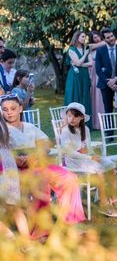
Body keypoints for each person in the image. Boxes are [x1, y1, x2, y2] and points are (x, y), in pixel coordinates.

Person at [2, 94, 85, 231]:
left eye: (13, 108)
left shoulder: (29, 126)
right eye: (5, 109)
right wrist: (14, 158)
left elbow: (46, 143)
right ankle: (40, 229)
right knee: (40, 182)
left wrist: (36, 154)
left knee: (70, 178)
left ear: (21, 108)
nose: (9, 112)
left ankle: (69, 222)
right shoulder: (2, 129)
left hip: (37, 163)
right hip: (16, 169)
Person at [59, 103, 117, 217]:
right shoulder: (65, 132)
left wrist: (94, 156)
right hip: (73, 161)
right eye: (69, 116)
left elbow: (88, 148)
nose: (72, 119)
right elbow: (70, 152)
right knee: (99, 170)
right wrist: (90, 158)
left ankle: (114, 199)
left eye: (75, 116)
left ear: (82, 117)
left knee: (111, 166)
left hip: (86, 158)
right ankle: (103, 203)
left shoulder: (86, 129)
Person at [94, 28, 117, 138]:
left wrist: (115, 79)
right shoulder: (100, 51)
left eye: (112, 36)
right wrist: (109, 82)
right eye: (108, 37)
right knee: (108, 108)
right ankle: (110, 134)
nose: (111, 38)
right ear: (104, 39)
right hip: (105, 84)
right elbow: (98, 69)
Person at [0, 114, 30, 238]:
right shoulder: (2, 122)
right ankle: (27, 244)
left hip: (3, 169)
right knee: (15, 208)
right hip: (9, 166)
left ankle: (10, 237)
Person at [64, 31, 94, 128]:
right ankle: (72, 122)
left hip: (84, 76)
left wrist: (80, 64)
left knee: (84, 96)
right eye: (82, 36)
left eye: (85, 37)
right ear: (77, 37)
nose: (84, 38)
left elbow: (91, 63)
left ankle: (84, 124)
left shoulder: (86, 49)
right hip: (75, 77)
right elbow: (78, 63)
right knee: (75, 96)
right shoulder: (71, 50)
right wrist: (84, 55)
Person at [88, 31, 106, 130]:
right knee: (93, 94)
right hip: (92, 72)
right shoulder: (91, 47)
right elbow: (89, 47)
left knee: (100, 95)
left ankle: (102, 122)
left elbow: (104, 43)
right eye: (95, 38)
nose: (97, 39)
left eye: (98, 36)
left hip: (100, 71)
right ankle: (94, 122)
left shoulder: (103, 45)